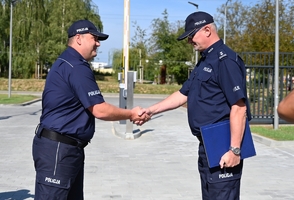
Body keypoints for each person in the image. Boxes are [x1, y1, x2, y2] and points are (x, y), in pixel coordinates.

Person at [139, 11, 251, 200]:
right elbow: (183, 94)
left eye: (192, 35)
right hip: (208, 145)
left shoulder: (226, 60)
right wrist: (150, 110)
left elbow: (239, 107)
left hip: (224, 145)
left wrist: (234, 150)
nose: (189, 41)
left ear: (207, 30)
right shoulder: (206, 60)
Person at [32, 19, 149, 200]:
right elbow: (100, 110)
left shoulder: (67, 61)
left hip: (65, 149)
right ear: (78, 38)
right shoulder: (76, 66)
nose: (98, 43)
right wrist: (131, 114)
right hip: (59, 150)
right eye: (94, 38)